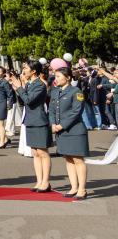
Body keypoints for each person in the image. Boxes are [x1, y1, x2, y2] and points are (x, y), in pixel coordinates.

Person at [10, 63, 51, 192]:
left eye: (26, 68)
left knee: (42, 153)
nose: (23, 71)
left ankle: (46, 182)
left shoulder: (40, 84)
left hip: (39, 120)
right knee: (35, 152)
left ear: (33, 71)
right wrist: (18, 88)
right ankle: (39, 181)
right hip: (30, 120)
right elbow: (22, 102)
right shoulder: (29, 84)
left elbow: (29, 100)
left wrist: (19, 88)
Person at [50, 67, 89, 199]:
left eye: (59, 76)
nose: (56, 79)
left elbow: (76, 111)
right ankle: (74, 187)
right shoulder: (55, 92)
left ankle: (82, 189)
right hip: (61, 131)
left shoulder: (76, 91)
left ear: (67, 77)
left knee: (78, 159)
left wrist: (62, 125)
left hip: (75, 131)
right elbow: (51, 110)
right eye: (55, 76)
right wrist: (53, 124)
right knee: (68, 159)